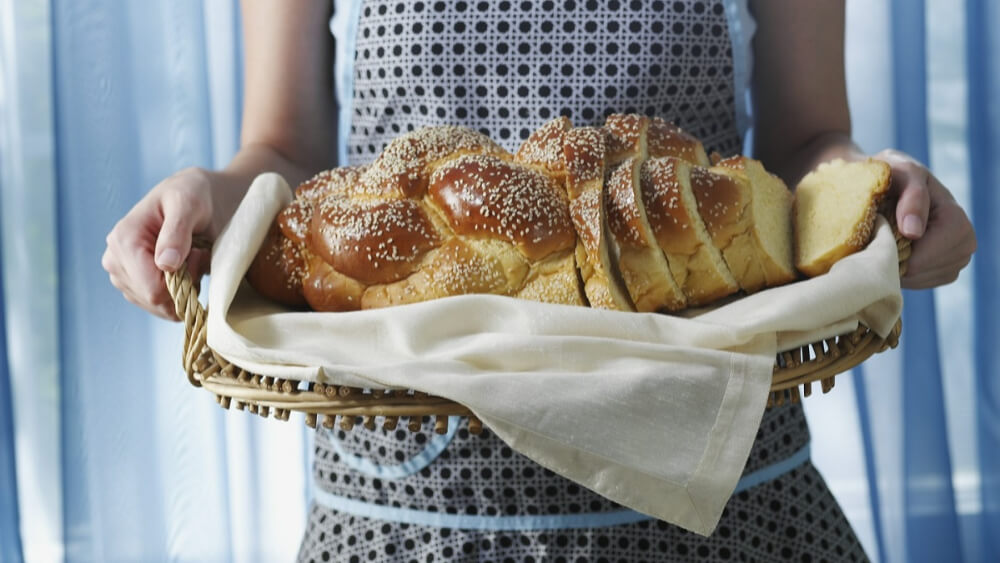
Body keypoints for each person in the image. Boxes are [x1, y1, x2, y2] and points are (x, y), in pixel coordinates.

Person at [102, 1, 976, 561]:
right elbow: (282, 155)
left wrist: (875, 194)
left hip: (716, 498)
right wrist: (209, 202)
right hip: (413, 514)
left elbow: (809, 143)